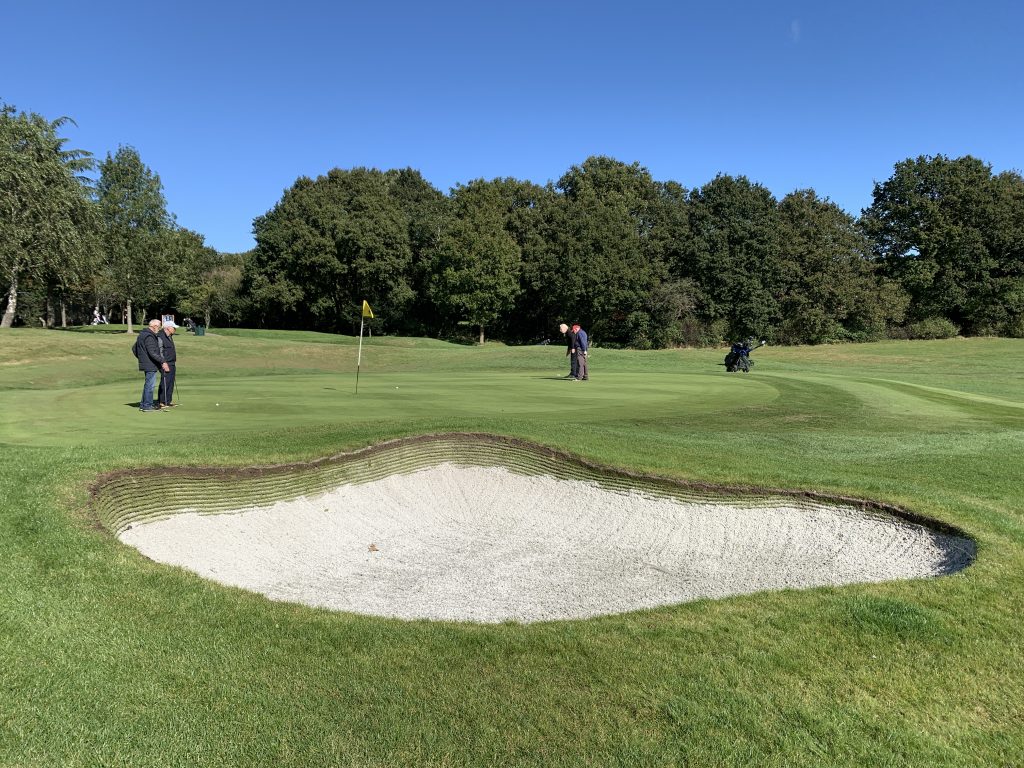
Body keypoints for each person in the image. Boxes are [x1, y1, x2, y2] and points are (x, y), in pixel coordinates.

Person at [137, 319, 168, 412]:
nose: (159, 329)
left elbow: (134, 348)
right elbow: (152, 352)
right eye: (159, 327)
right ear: (154, 326)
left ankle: (143, 404)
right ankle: (147, 405)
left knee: (148, 384)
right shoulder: (149, 336)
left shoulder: (142, 334)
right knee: (150, 385)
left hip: (147, 363)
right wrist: (163, 361)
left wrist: (142, 358)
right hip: (150, 364)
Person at [157, 320, 179, 409]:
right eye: (173, 328)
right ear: (168, 328)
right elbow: (160, 351)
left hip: (172, 362)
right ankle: (161, 401)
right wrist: (163, 362)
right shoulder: (160, 336)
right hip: (165, 363)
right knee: (165, 382)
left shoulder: (169, 336)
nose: (175, 329)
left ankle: (168, 401)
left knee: (170, 382)